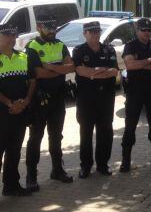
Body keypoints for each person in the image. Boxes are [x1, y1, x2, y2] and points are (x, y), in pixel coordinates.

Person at [26, 17, 75, 191]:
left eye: (54, 27)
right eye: (48, 28)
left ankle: (57, 170)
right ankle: (31, 176)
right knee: (35, 138)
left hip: (57, 99)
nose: (52, 31)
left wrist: (51, 67)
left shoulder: (60, 44)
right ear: (39, 27)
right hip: (39, 101)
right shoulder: (32, 47)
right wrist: (58, 68)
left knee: (56, 136)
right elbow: (38, 73)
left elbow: (71, 67)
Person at [72, 21, 119, 178]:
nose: (95, 34)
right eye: (91, 32)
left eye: (97, 31)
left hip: (105, 98)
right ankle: (85, 166)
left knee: (105, 132)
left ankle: (103, 164)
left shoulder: (108, 49)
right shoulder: (79, 51)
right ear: (85, 33)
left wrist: (93, 73)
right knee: (85, 132)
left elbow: (114, 72)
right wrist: (100, 70)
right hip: (86, 99)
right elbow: (81, 71)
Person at [120, 18, 151, 172]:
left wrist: (141, 64)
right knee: (130, 126)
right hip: (135, 91)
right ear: (137, 30)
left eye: (149, 30)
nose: (146, 33)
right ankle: (125, 160)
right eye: (143, 30)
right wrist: (149, 61)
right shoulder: (130, 46)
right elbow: (130, 65)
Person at [0, 25, 36, 196]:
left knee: (14, 151)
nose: (11, 38)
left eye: (13, 35)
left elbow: (32, 80)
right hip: (2, 113)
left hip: (20, 112)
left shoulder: (23, 56)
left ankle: (11, 185)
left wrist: (26, 100)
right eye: (7, 35)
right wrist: (9, 103)